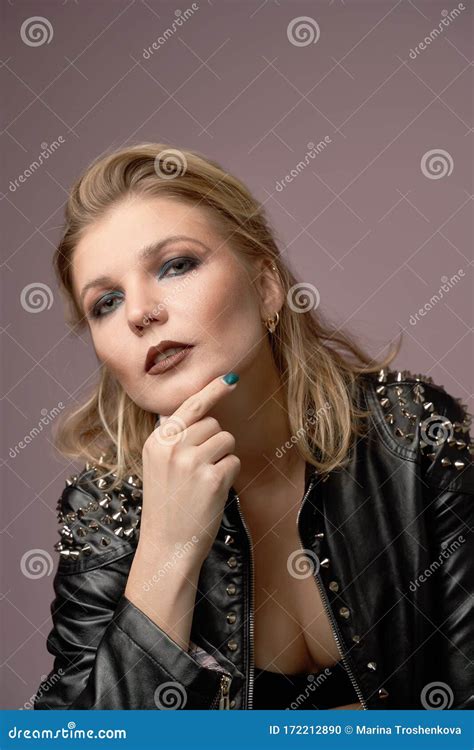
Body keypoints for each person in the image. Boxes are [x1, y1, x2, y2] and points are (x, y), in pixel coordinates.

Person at [34, 143, 473, 710]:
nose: (141, 312)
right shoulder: (106, 510)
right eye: (107, 302)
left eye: (176, 265)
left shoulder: (411, 435)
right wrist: (166, 550)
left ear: (266, 285)